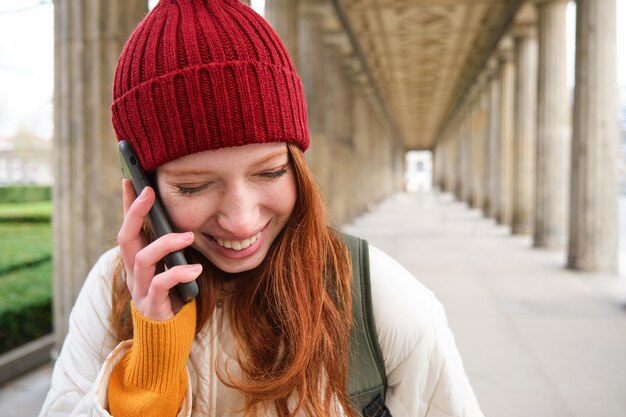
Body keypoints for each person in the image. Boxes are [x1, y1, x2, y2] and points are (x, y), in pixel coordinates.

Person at [39, 1, 484, 416]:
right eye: (194, 187)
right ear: (142, 189)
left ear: (298, 167)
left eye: (269, 173)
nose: (241, 219)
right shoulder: (110, 288)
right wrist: (150, 376)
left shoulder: (382, 299)